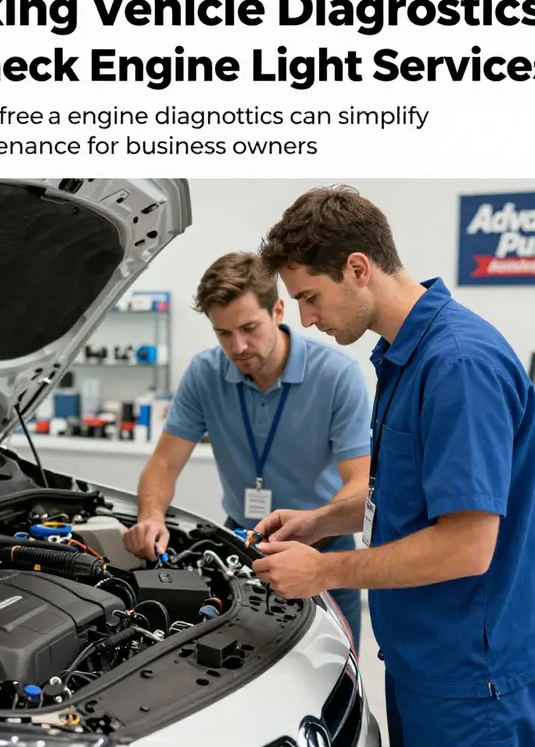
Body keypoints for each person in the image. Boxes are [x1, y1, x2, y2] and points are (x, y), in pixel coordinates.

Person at [251, 185, 535, 747]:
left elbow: (465, 546)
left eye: (310, 296)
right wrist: (321, 521)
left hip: (471, 674)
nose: (304, 317)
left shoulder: (458, 366)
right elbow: (401, 493)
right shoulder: (404, 356)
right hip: (423, 655)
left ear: (357, 268)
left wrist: (323, 572)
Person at [122, 251, 372, 651]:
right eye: (223, 334)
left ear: (277, 310)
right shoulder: (204, 373)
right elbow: (163, 465)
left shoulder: (337, 375)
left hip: (322, 547)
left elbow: (359, 483)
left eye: (249, 328)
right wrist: (151, 518)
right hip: (239, 540)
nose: (237, 347)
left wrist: (311, 530)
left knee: (330, 668)